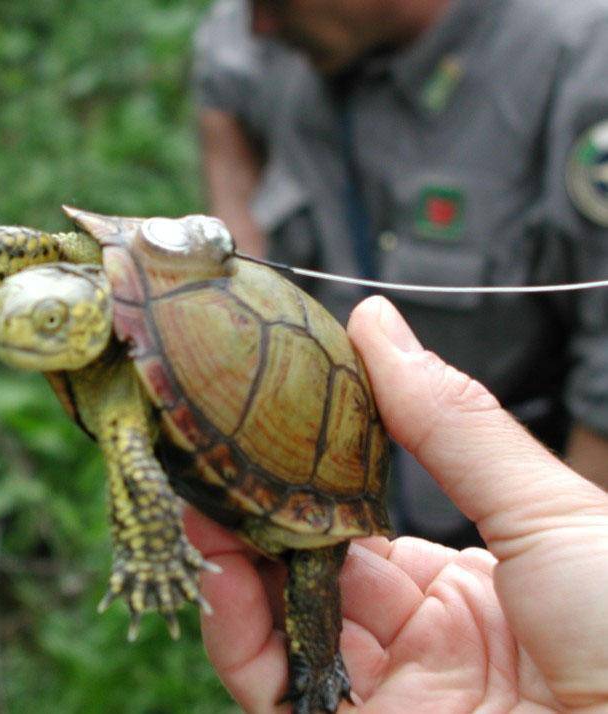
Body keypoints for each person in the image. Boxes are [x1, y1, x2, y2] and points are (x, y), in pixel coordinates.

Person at [192, 0, 608, 547]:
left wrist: (554, 554)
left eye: (274, 5)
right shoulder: (271, 40)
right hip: (325, 511)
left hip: (503, 521)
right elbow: (221, 73)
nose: (259, 26)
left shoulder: (577, 61)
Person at [185, 295, 608, 712]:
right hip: (323, 475)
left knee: (313, 566)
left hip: (331, 480)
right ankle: (318, 673)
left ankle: (318, 674)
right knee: (308, 567)